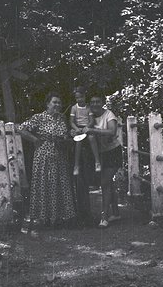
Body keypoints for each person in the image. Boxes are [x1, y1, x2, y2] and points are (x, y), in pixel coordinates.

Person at [18, 92, 76, 233]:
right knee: (44, 184)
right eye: (54, 102)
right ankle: (43, 219)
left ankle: (58, 219)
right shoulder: (39, 117)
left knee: (59, 184)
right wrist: (35, 140)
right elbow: (21, 129)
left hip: (60, 157)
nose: (57, 105)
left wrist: (68, 137)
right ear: (47, 104)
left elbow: (65, 136)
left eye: (59, 103)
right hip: (43, 156)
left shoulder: (62, 118)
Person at [83, 93, 122, 228]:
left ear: (102, 102)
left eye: (97, 101)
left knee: (105, 182)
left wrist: (92, 130)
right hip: (100, 154)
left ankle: (104, 217)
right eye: (92, 101)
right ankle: (116, 213)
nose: (95, 104)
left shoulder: (109, 115)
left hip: (113, 152)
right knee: (108, 183)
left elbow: (112, 131)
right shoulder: (89, 116)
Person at [70, 87, 101, 176]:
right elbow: (71, 122)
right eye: (77, 98)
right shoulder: (74, 108)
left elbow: (91, 121)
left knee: (91, 138)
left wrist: (86, 128)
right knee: (78, 141)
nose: (79, 99)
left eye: (81, 97)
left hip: (87, 127)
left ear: (84, 96)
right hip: (78, 128)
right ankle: (76, 165)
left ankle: (97, 161)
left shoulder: (88, 108)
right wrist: (76, 129)